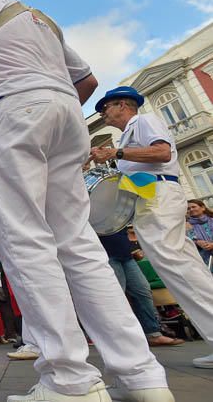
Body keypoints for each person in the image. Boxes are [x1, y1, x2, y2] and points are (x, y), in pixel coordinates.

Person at [0, 0, 171, 401]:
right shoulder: (42, 20)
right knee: (79, 246)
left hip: (14, 114)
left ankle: (69, 381)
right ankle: (143, 379)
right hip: (66, 116)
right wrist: (54, 102)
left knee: (25, 239)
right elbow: (89, 81)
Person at [91, 86, 213, 372]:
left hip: (158, 195)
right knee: (185, 269)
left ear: (123, 105)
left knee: (179, 269)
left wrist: (117, 151)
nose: (103, 113)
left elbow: (161, 152)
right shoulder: (131, 133)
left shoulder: (143, 122)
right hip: (150, 198)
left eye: (105, 108)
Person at [98, 228, 184, 347]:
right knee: (117, 295)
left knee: (142, 290)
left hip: (125, 254)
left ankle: (152, 334)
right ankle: (118, 337)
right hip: (106, 254)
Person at [186, 199, 213, 271]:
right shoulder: (187, 226)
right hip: (204, 261)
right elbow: (188, 242)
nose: (191, 209)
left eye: (193, 207)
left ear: (203, 208)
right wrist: (197, 242)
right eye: (188, 209)